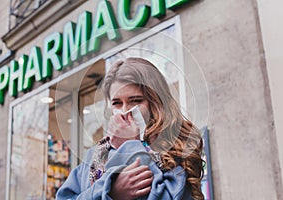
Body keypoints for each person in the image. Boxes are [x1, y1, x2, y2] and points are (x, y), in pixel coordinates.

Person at [56, 57, 204, 200]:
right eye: (117, 103)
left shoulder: (176, 146)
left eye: (135, 101)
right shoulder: (95, 155)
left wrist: (129, 147)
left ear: (156, 102)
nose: (125, 111)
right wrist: (110, 191)